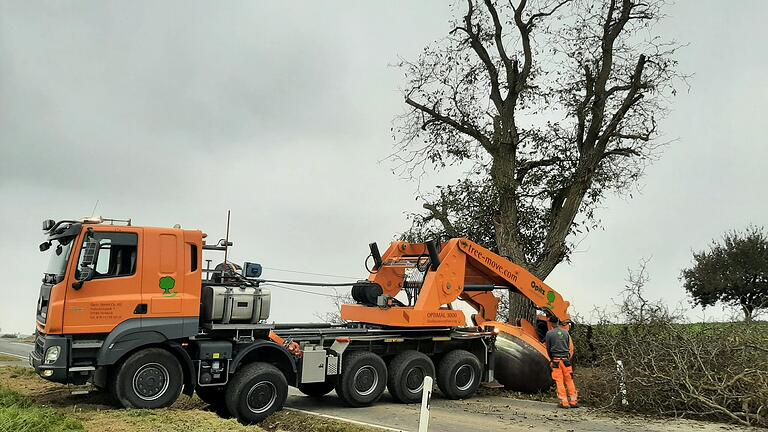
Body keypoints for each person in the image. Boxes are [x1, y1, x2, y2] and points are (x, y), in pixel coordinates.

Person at [545, 316, 578, 408]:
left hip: (556, 361)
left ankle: (564, 402)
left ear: (551, 323)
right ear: (559, 322)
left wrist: (551, 359)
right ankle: (574, 401)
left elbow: (548, 348)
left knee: (559, 381)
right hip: (566, 361)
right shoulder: (566, 332)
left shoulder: (549, 334)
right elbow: (568, 345)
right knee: (569, 380)